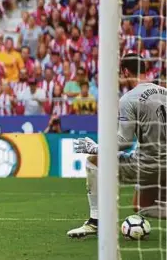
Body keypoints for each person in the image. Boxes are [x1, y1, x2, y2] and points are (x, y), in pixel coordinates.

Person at [67, 53, 167, 238]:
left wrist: (96, 147)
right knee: (141, 207)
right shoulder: (165, 92)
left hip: (147, 165)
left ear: (125, 71)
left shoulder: (129, 99)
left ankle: (95, 221)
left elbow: (124, 141)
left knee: (94, 162)